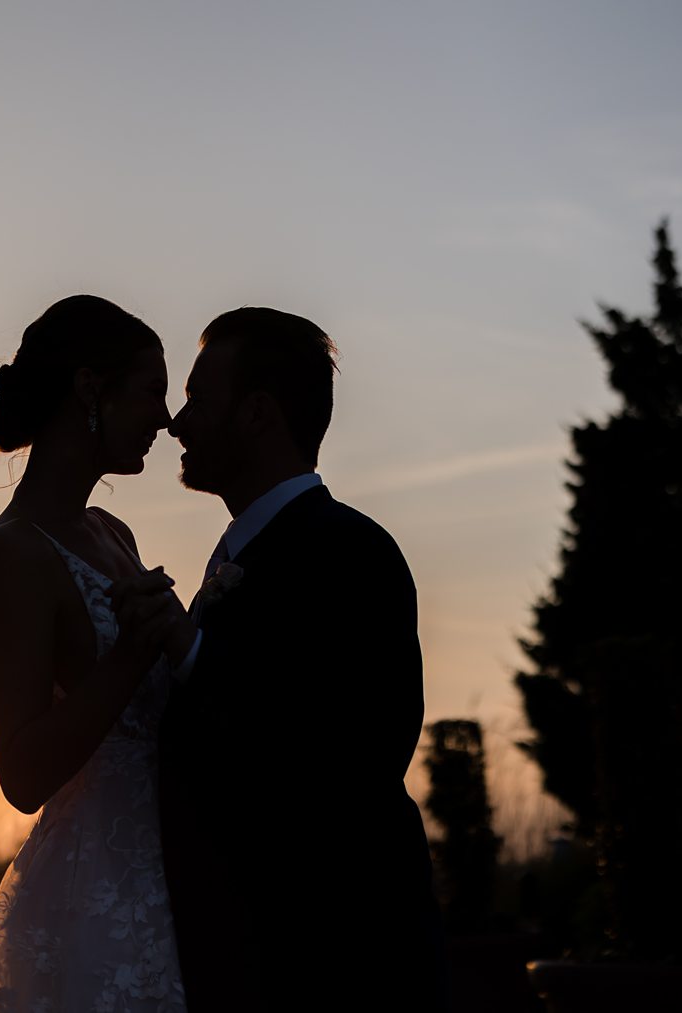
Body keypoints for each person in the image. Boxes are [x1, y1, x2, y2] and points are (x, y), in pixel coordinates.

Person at [118, 307, 447, 1010]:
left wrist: (192, 650)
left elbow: (349, 760)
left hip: (335, 967)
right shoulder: (234, 559)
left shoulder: (353, 554)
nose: (178, 422)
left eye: (200, 400)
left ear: (258, 414)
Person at [0, 294, 189, 1012]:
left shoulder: (114, 532)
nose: (165, 417)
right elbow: (22, 773)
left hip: (176, 877)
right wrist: (130, 654)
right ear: (92, 390)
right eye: (152, 390)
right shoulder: (15, 553)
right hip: (99, 896)